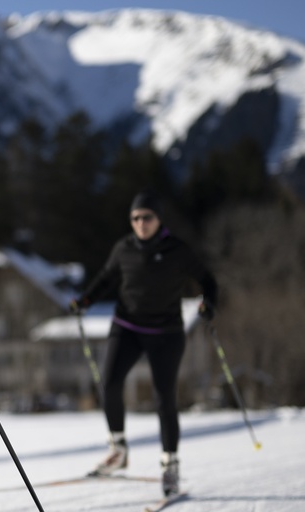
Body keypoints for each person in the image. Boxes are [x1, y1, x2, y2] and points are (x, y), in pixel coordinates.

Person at [69, 189, 217, 497]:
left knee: (164, 397)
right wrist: (85, 299)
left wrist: (208, 303)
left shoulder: (176, 249)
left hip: (166, 332)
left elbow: (207, 279)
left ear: (158, 218)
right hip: (127, 326)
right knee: (109, 382)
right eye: (135, 218)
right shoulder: (124, 248)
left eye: (146, 217)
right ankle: (118, 450)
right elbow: (106, 278)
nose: (140, 223)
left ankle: (170, 465)